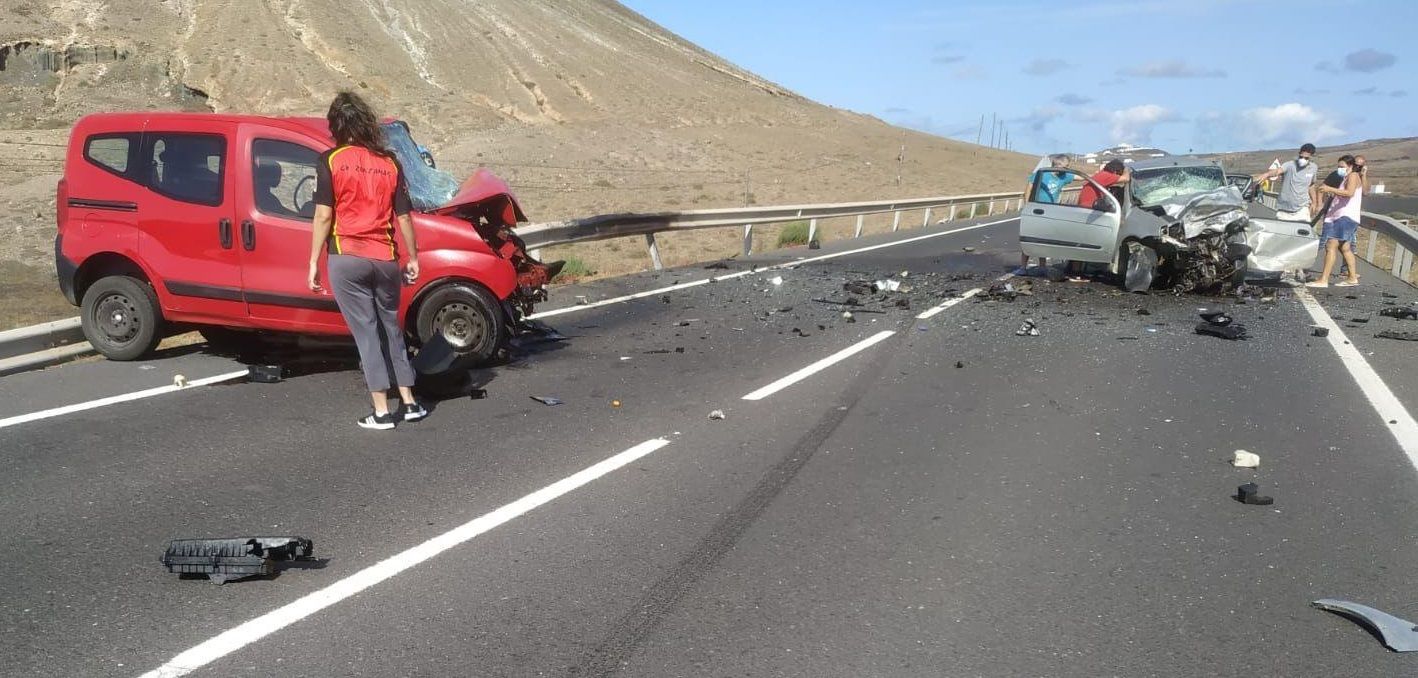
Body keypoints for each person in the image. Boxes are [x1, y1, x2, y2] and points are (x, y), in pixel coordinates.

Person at [307, 91, 428, 429]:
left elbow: (323, 216)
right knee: (391, 327)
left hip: (347, 257)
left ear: (336, 124)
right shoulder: (390, 163)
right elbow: (404, 217)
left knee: (366, 332)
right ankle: (410, 401)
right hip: (385, 257)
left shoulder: (330, 160)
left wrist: (314, 260)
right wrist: (413, 256)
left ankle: (381, 411)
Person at [1307, 155, 1363, 288]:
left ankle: (1324, 279)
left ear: (1350, 166)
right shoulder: (1346, 177)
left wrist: (1330, 189)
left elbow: (1349, 193)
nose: (1339, 169)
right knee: (1345, 248)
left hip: (1344, 216)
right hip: (1344, 216)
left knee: (1330, 245)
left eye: (1342, 167)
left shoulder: (1353, 176)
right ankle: (1352, 277)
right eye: (1338, 167)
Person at [1019, 154, 1076, 271]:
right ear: (1058, 164)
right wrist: (1027, 205)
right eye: (1066, 166)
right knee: (1030, 238)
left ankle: (1042, 266)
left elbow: (1081, 177)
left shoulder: (1064, 176)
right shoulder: (1042, 174)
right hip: (1036, 210)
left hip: (1050, 212)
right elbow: (1029, 187)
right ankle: (1023, 267)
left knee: (1043, 239)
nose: (1067, 168)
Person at [1252, 143, 1318, 222]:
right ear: (1299, 154)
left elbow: (1311, 185)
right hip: (1284, 210)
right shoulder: (1290, 165)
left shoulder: (1313, 168)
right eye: (1301, 157)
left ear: (1311, 157)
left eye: (1306, 158)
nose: (1303, 159)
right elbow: (1277, 171)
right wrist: (1267, 174)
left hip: (1302, 209)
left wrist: (1314, 202)